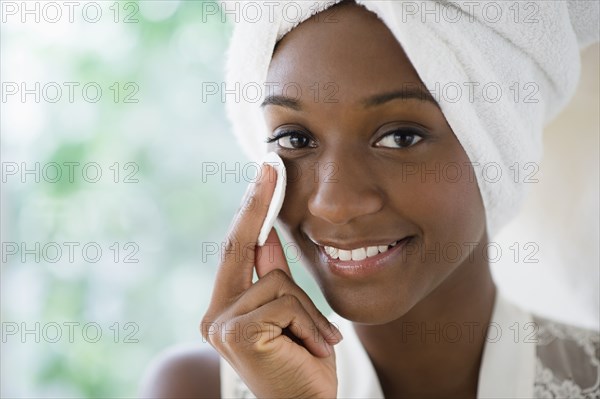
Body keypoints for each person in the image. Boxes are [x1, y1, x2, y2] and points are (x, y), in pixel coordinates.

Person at [139, 1, 599, 397]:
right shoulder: (192, 389)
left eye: (400, 137)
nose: (332, 203)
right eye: (296, 140)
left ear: (498, 151)